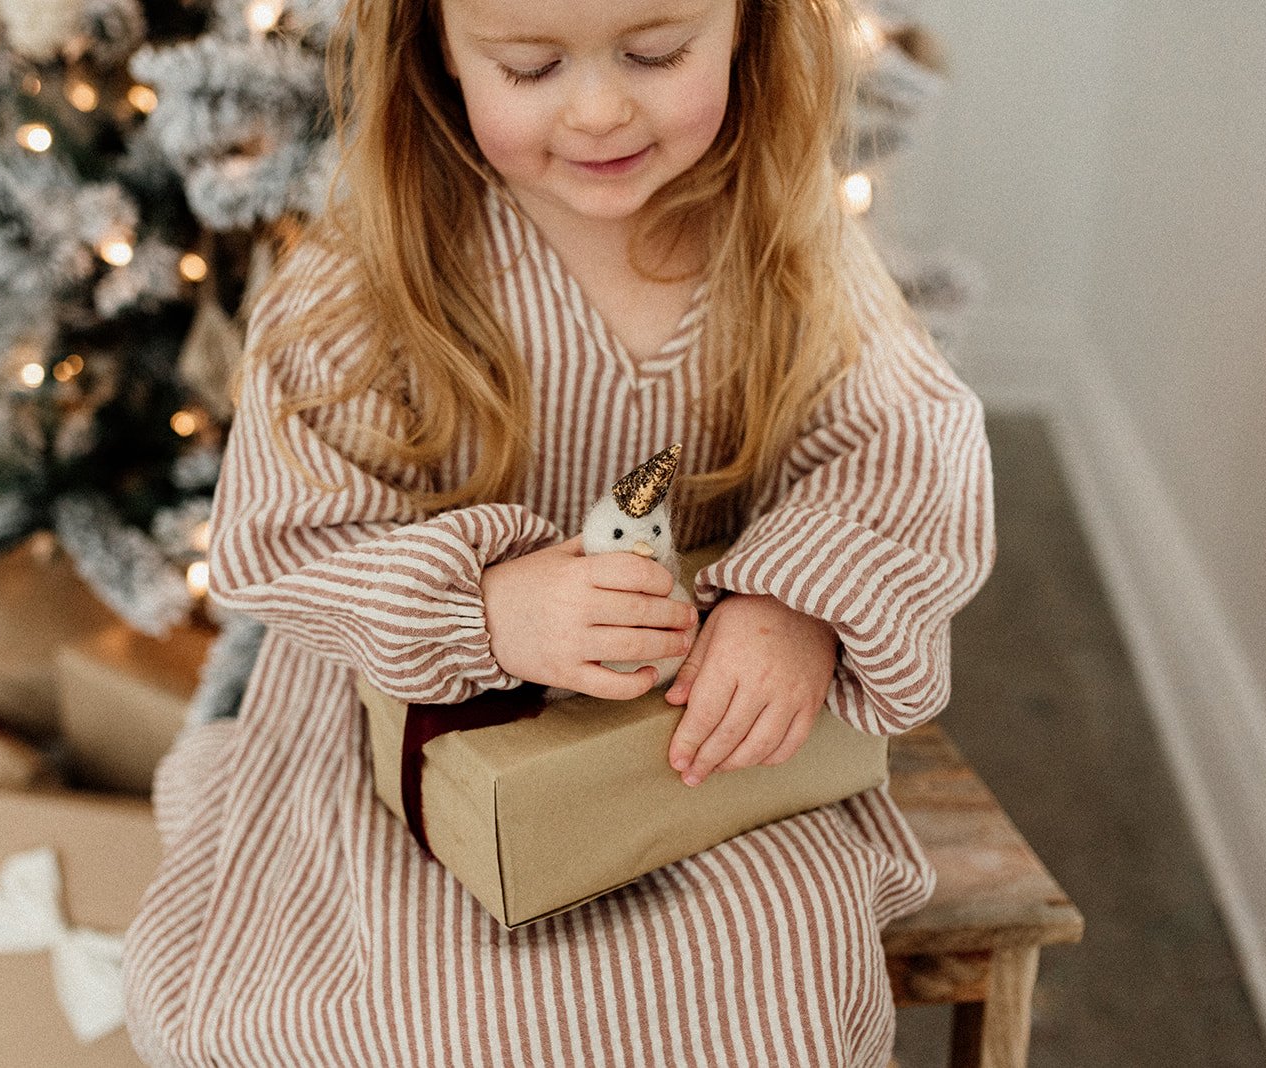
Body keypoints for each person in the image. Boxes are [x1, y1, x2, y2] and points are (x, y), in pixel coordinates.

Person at [123, 0, 995, 1061]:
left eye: (656, 53)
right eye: (531, 68)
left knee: (776, 975)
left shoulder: (786, 241)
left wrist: (794, 600)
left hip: (689, 734)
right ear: (438, 53)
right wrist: (482, 606)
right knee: (404, 1017)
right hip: (418, 730)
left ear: (745, 26)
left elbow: (907, 442)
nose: (597, 111)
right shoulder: (374, 276)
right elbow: (284, 539)